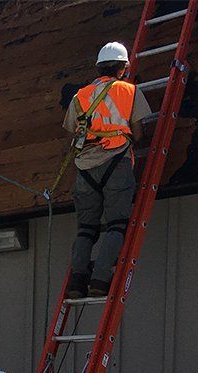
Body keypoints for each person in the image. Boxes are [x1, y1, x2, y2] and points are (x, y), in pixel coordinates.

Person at [63, 41, 154, 300]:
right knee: (116, 225)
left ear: (99, 67)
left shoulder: (79, 96)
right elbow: (138, 132)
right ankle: (101, 280)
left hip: (85, 168)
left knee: (86, 229)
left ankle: (77, 281)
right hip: (117, 163)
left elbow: (71, 132)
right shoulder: (129, 90)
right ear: (123, 68)